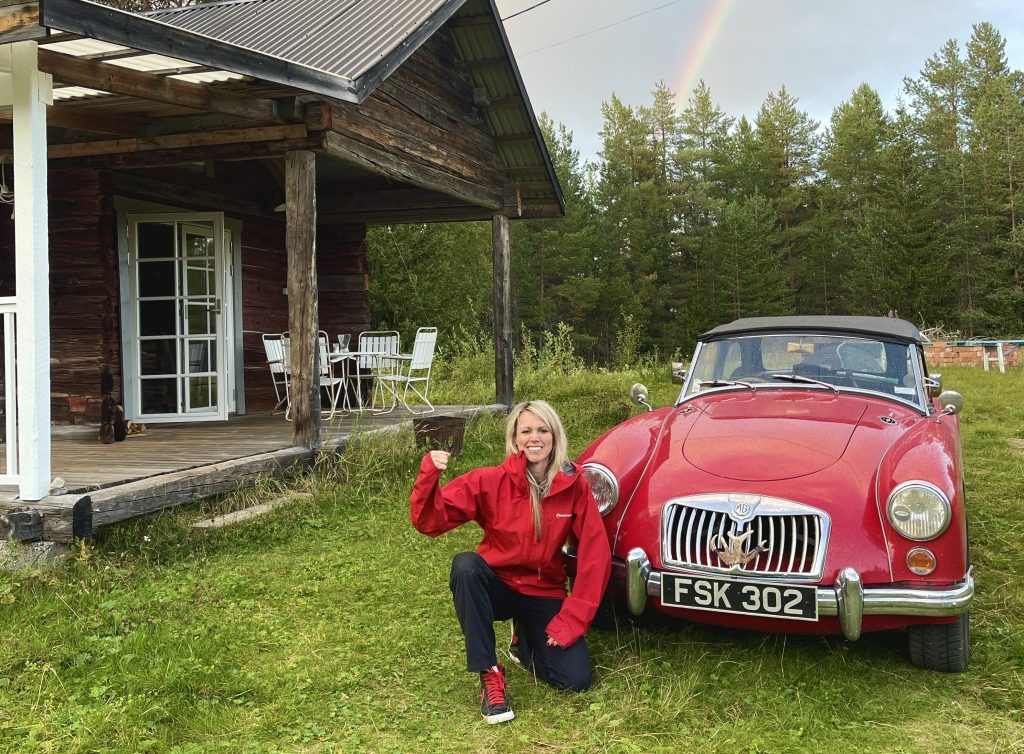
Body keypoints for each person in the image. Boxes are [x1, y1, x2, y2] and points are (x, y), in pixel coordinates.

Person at [409, 400, 611, 724]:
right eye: (526, 430)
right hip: (498, 586)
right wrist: (429, 476)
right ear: (516, 439)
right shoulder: (490, 481)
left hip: (543, 590)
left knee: (576, 680)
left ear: (554, 435)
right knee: (466, 566)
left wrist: (572, 619)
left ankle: (524, 642)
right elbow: (429, 522)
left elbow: (594, 555)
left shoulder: (574, 486)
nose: (535, 437)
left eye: (543, 430)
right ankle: (489, 674)